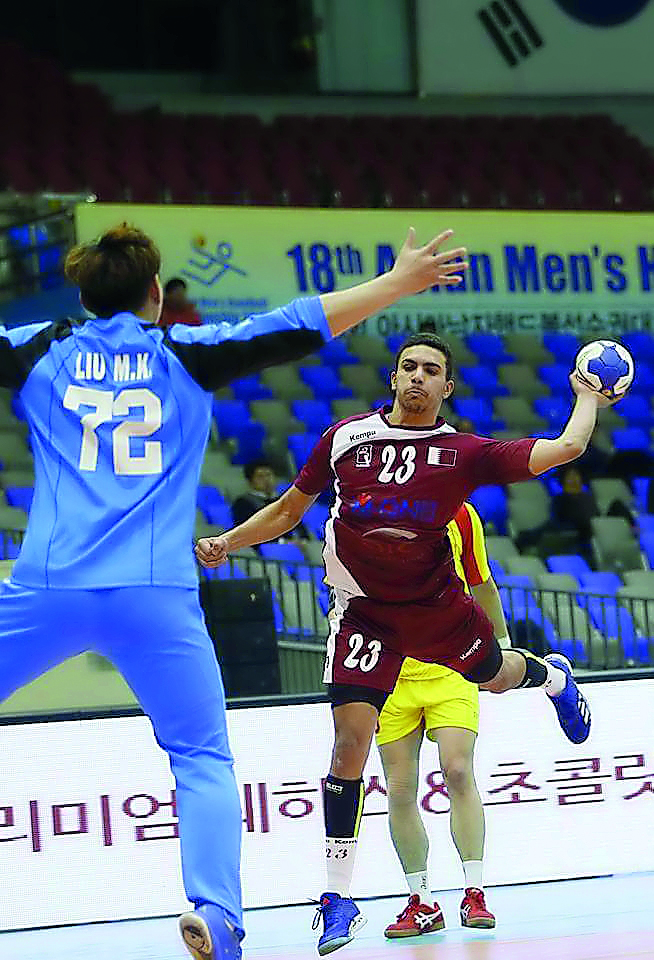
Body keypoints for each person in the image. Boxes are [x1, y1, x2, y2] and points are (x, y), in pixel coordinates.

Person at [0, 223, 467, 960]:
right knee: (200, 759)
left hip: (49, 584)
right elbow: (294, 325)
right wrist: (398, 283)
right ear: (157, 296)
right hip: (155, 594)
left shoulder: (38, 346)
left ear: (83, 295)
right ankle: (217, 915)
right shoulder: (184, 353)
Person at [196, 330, 617, 956]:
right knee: (348, 748)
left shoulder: (463, 453)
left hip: (435, 609)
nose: (417, 376)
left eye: (431, 371)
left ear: (447, 388)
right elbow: (289, 511)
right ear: (393, 378)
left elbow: (567, 447)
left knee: (497, 674)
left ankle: (552, 677)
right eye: (408, 367)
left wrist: (586, 394)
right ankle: (337, 900)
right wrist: (228, 541)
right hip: (363, 615)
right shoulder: (344, 440)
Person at [378, 501, 507, 938]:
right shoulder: (357, 513)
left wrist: (502, 649)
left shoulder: (460, 513)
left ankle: (474, 891)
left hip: (451, 662)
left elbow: (481, 582)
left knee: (457, 769)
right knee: (398, 790)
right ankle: (423, 902)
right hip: (389, 669)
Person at [232, 458, 310, 540]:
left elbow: (298, 526)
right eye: (260, 476)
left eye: (269, 475)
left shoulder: (284, 500)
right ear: (250, 481)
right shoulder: (243, 503)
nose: (266, 480)